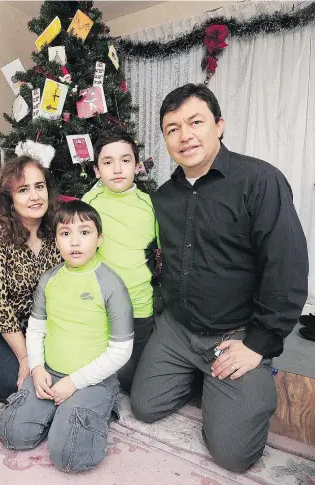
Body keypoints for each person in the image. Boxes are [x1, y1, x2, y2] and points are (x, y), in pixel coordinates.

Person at [130, 83, 308, 472]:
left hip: (235, 335)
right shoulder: (160, 197)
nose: (184, 135)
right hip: (177, 329)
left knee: (233, 456)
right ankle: (201, 377)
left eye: (195, 122)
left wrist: (259, 343)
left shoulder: (260, 181)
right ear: (165, 139)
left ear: (219, 125)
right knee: (143, 408)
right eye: (172, 128)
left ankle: (251, 380)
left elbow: (287, 267)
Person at [0, 200, 134, 473]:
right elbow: (36, 328)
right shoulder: (49, 279)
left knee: (70, 457)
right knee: (11, 433)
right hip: (50, 373)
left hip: (91, 381)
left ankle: (100, 407)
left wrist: (75, 382)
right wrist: (36, 368)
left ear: (99, 239)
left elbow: (121, 350)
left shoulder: (111, 284)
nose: (75, 242)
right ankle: (61, 413)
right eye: (65, 233)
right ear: (56, 240)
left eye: (85, 232)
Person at [0, 156, 62, 403]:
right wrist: (25, 357)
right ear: (10, 199)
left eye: (40, 187)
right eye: (23, 190)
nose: (35, 196)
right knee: (12, 384)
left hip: (37, 325)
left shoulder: (56, 230)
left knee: (60, 371)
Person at [82, 130, 158, 392]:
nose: (117, 169)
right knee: (100, 375)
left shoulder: (150, 204)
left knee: (132, 384)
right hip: (102, 307)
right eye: (107, 162)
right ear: (96, 170)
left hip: (140, 307)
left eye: (125, 160)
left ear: (137, 166)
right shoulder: (89, 203)